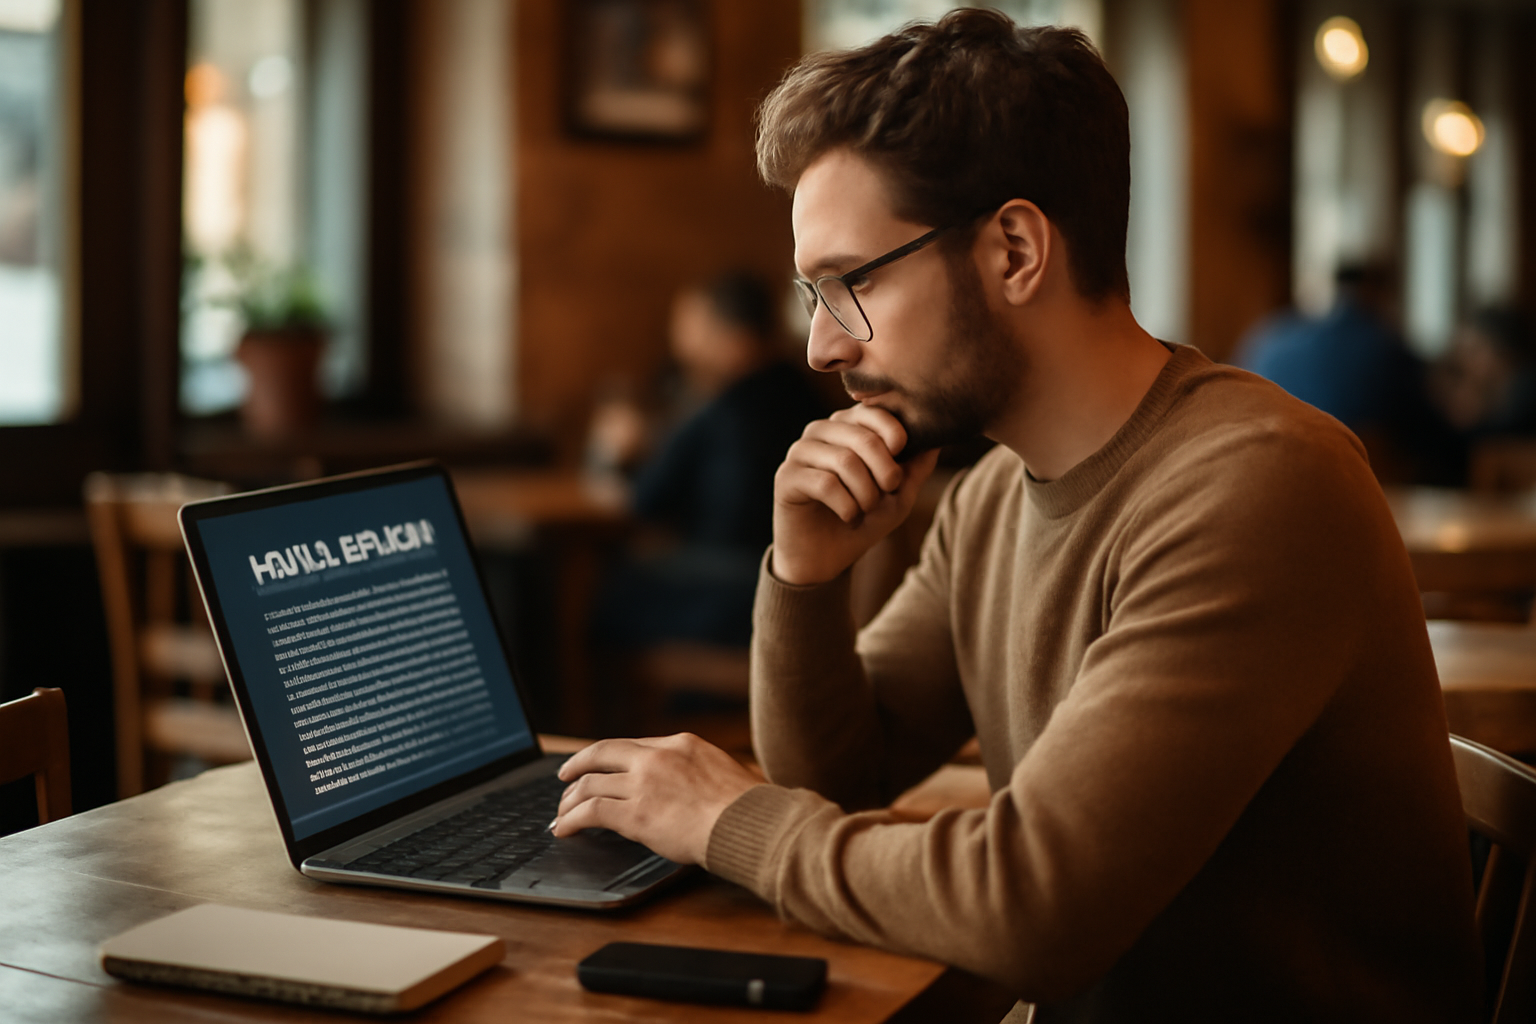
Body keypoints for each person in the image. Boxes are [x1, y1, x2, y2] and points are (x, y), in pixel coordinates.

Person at [553, 12, 1480, 1021]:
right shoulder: (993, 492)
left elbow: (1032, 906)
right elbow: (841, 777)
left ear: (1014, 250)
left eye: (850, 283)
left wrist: (730, 817)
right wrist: (806, 575)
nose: (819, 345)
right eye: (808, 293)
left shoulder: (1259, 486)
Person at [590, 271, 827, 651]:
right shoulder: (804, 393)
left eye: (698, 330)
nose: (687, 345)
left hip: (736, 587)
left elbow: (645, 499)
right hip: (796, 583)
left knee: (606, 591)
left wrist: (612, 455)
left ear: (734, 338)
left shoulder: (726, 406)